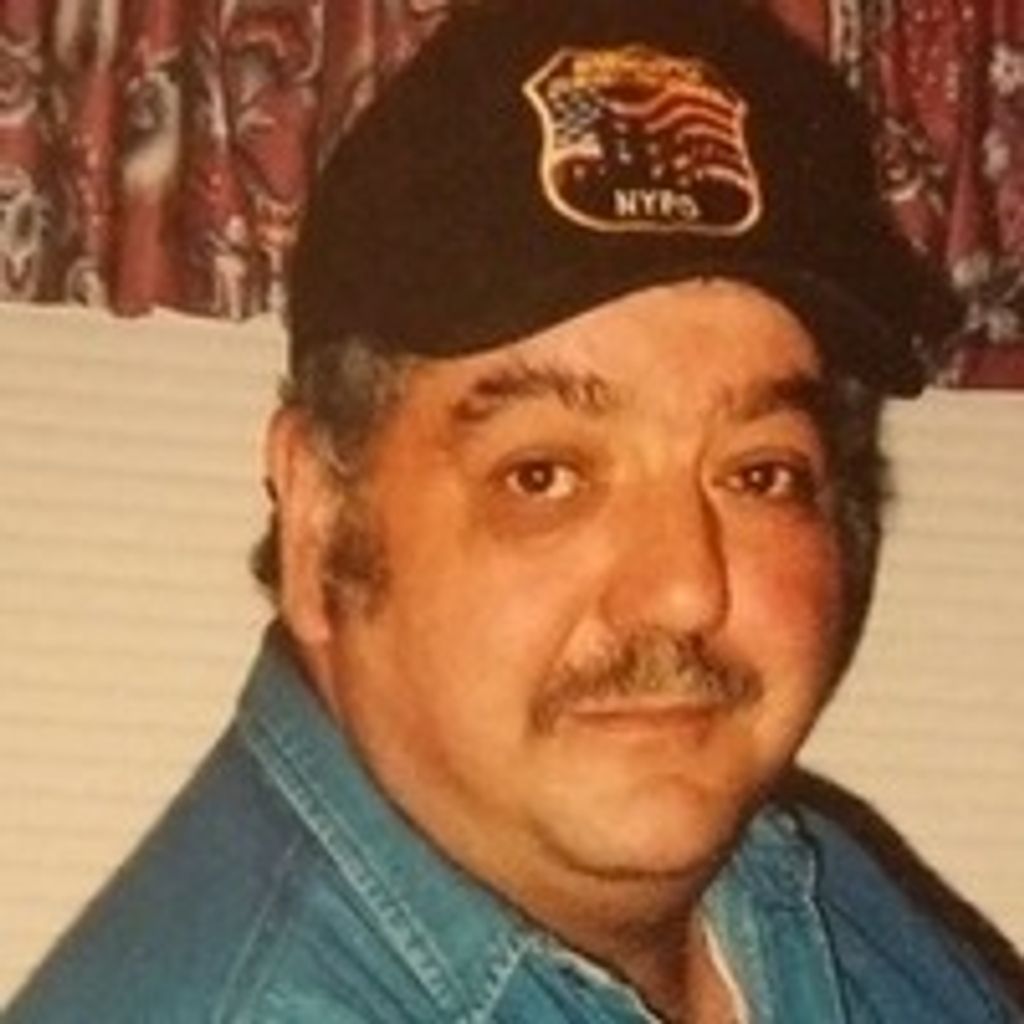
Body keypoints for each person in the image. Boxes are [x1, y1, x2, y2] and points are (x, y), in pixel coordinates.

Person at [7, 0, 1021, 1020]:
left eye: (759, 473)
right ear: (319, 518)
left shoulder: (811, 898)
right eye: (545, 474)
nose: (683, 589)